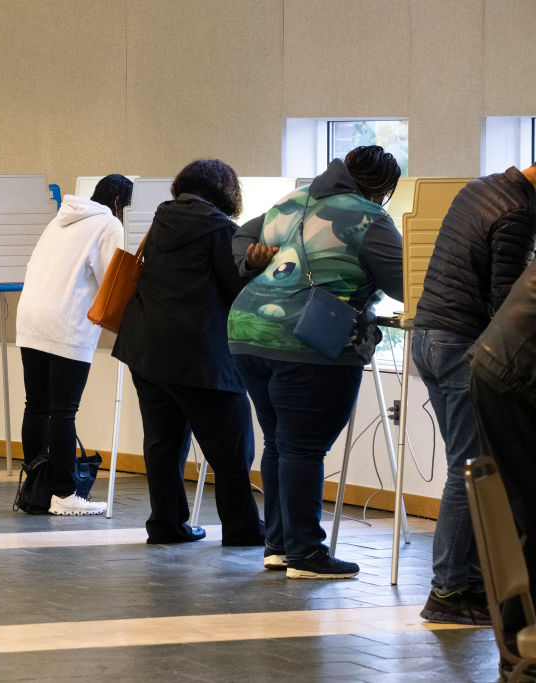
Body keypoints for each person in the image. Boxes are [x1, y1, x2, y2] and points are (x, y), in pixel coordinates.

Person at [228, 145, 403, 578]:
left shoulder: (293, 201)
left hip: (248, 332)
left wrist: (250, 259)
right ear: (381, 187)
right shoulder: (367, 217)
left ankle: (280, 545)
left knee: (281, 443)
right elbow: (404, 279)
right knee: (304, 447)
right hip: (309, 340)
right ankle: (306, 554)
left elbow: (241, 237)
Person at [113, 160, 266, 545]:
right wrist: (258, 267)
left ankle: (166, 525)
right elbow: (237, 291)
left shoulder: (161, 220)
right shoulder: (221, 231)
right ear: (226, 192)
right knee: (232, 447)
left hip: (146, 349)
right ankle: (243, 529)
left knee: (162, 444)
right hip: (200, 355)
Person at [411, 162, 536, 624]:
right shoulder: (518, 210)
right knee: (471, 473)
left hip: (427, 337)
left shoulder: (480, 188)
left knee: (465, 470)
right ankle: (446, 593)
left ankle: (468, 583)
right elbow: (508, 298)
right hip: (462, 343)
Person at [16, 174, 133, 515]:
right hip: (67, 323)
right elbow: (112, 280)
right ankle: (65, 495)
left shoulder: (60, 219)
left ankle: (36, 490)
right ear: (119, 204)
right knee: (64, 410)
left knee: (36, 406)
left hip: (32, 319)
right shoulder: (109, 224)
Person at [469, 259, 536, 679]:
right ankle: (522, 653)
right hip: (514, 376)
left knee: (527, 515)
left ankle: (520, 649)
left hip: (504, 366)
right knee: (531, 514)